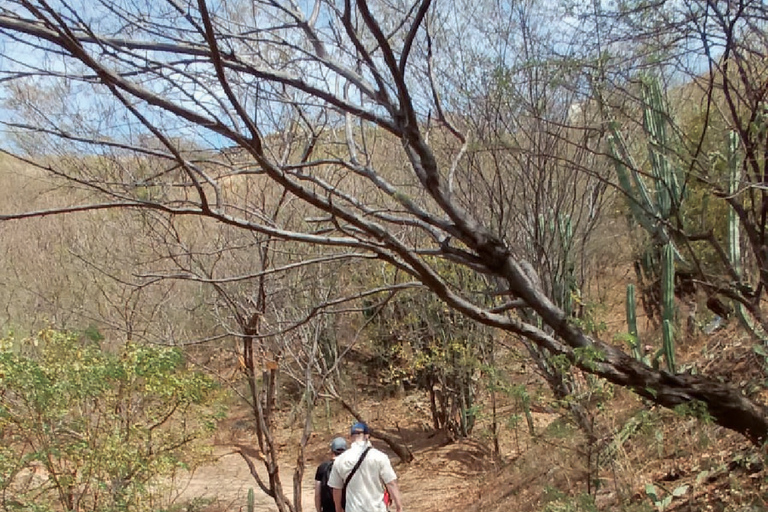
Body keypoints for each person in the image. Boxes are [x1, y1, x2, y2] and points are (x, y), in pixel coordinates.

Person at [328, 422, 403, 512]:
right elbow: (391, 483)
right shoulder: (380, 457)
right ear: (367, 436)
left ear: (351, 437)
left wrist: (338, 508)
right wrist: (399, 506)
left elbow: (336, 489)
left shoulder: (340, 460)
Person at [315, 437, 348, 512]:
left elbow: (317, 494)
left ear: (332, 451)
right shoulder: (349, 466)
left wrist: (318, 509)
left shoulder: (322, 467)